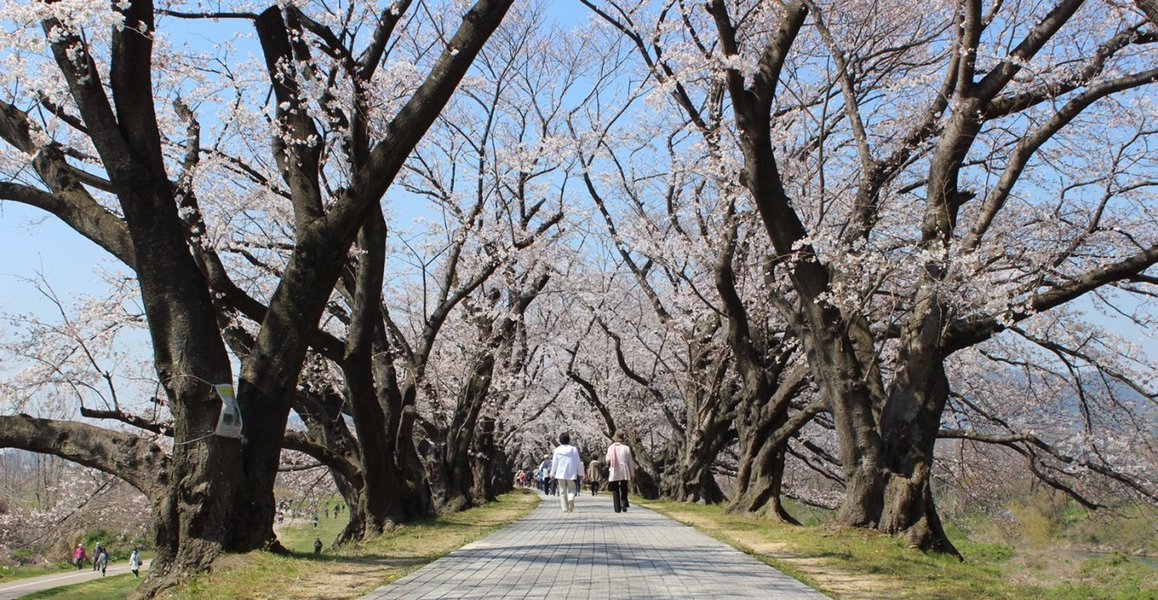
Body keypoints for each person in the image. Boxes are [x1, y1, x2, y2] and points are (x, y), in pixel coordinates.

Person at [548, 432, 582, 513]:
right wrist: (580, 473)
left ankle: (564, 508)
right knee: (572, 490)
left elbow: (555, 463)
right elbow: (578, 462)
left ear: (560, 441)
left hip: (560, 473)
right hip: (571, 473)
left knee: (562, 491)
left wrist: (552, 474)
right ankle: (571, 499)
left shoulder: (557, 450)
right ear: (569, 440)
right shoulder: (573, 449)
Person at [606, 431, 637, 513]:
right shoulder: (626, 448)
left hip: (614, 469)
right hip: (624, 470)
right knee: (624, 487)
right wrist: (632, 474)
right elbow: (630, 461)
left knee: (615, 489)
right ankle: (623, 503)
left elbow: (607, 460)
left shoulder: (610, 448)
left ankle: (617, 508)